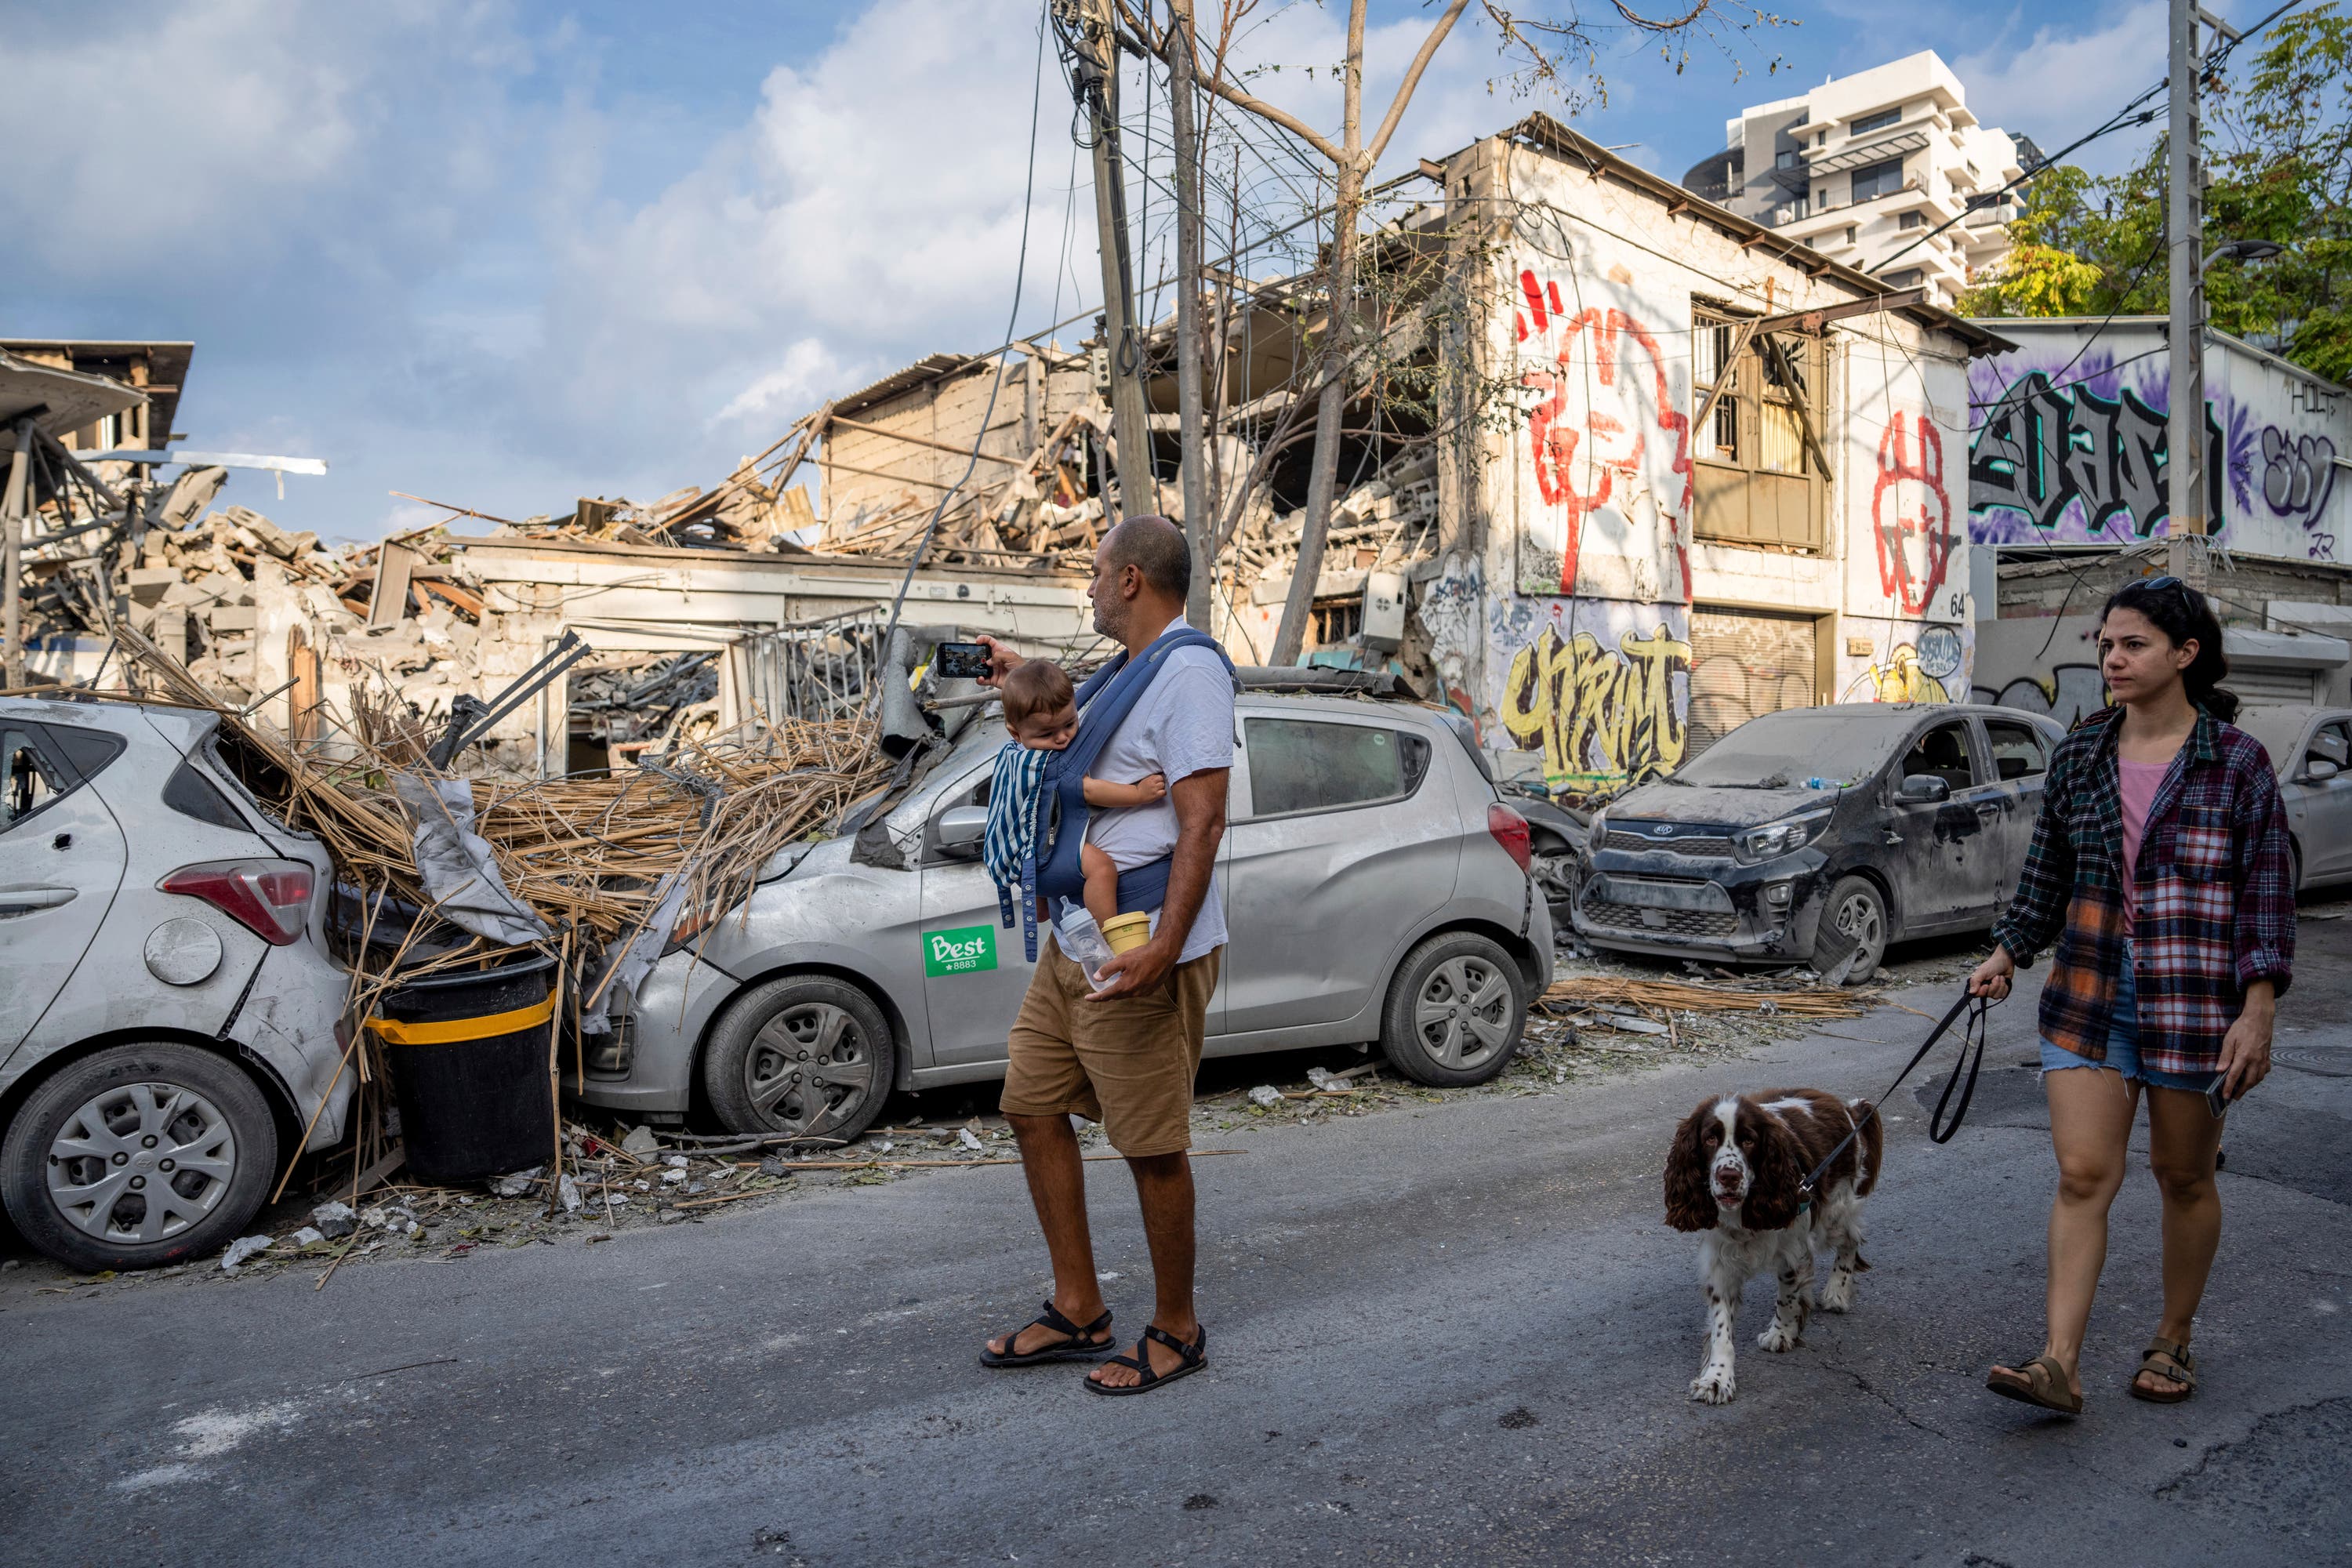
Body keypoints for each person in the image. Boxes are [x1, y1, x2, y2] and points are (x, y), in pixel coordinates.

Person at [1971, 576, 2293, 1415]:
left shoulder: (2237, 763)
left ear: (2185, 654)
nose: (2113, 658)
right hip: (2089, 992)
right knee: (2083, 1173)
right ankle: (2059, 1361)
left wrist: (2257, 1010)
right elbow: (2049, 872)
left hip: (2197, 1007)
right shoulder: (2080, 752)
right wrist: (2008, 951)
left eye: (2134, 643)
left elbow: (2265, 894)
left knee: (2182, 1175)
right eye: (2106, 644)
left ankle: (2173, 1336)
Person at [971, 515, 1234, 1396]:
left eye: (1093, 573)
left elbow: (1202, 819)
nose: (1086, 588)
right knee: (1030, 1102)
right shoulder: (1125, 672)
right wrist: (1019, 676)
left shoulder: (1190, 672)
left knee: (1150, 1141)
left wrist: (1164, 946)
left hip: (1137, 943)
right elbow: (1067, 733)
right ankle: (1080, 1305)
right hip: (1075, 941)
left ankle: (1177, 1327)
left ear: (1130, 580)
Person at [982, 657, 1167, 939]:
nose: (1062, 739)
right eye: (1047, 734)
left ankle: (1041, 906)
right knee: (1101, 867)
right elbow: (1090, 790)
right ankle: (1111, 930)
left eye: (1070, 724)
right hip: (1039, 867)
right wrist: (1138, 794)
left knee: (1033, 828)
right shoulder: (1047, 764)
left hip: (1017, 863)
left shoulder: (1011, 755)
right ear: (1016, 733)